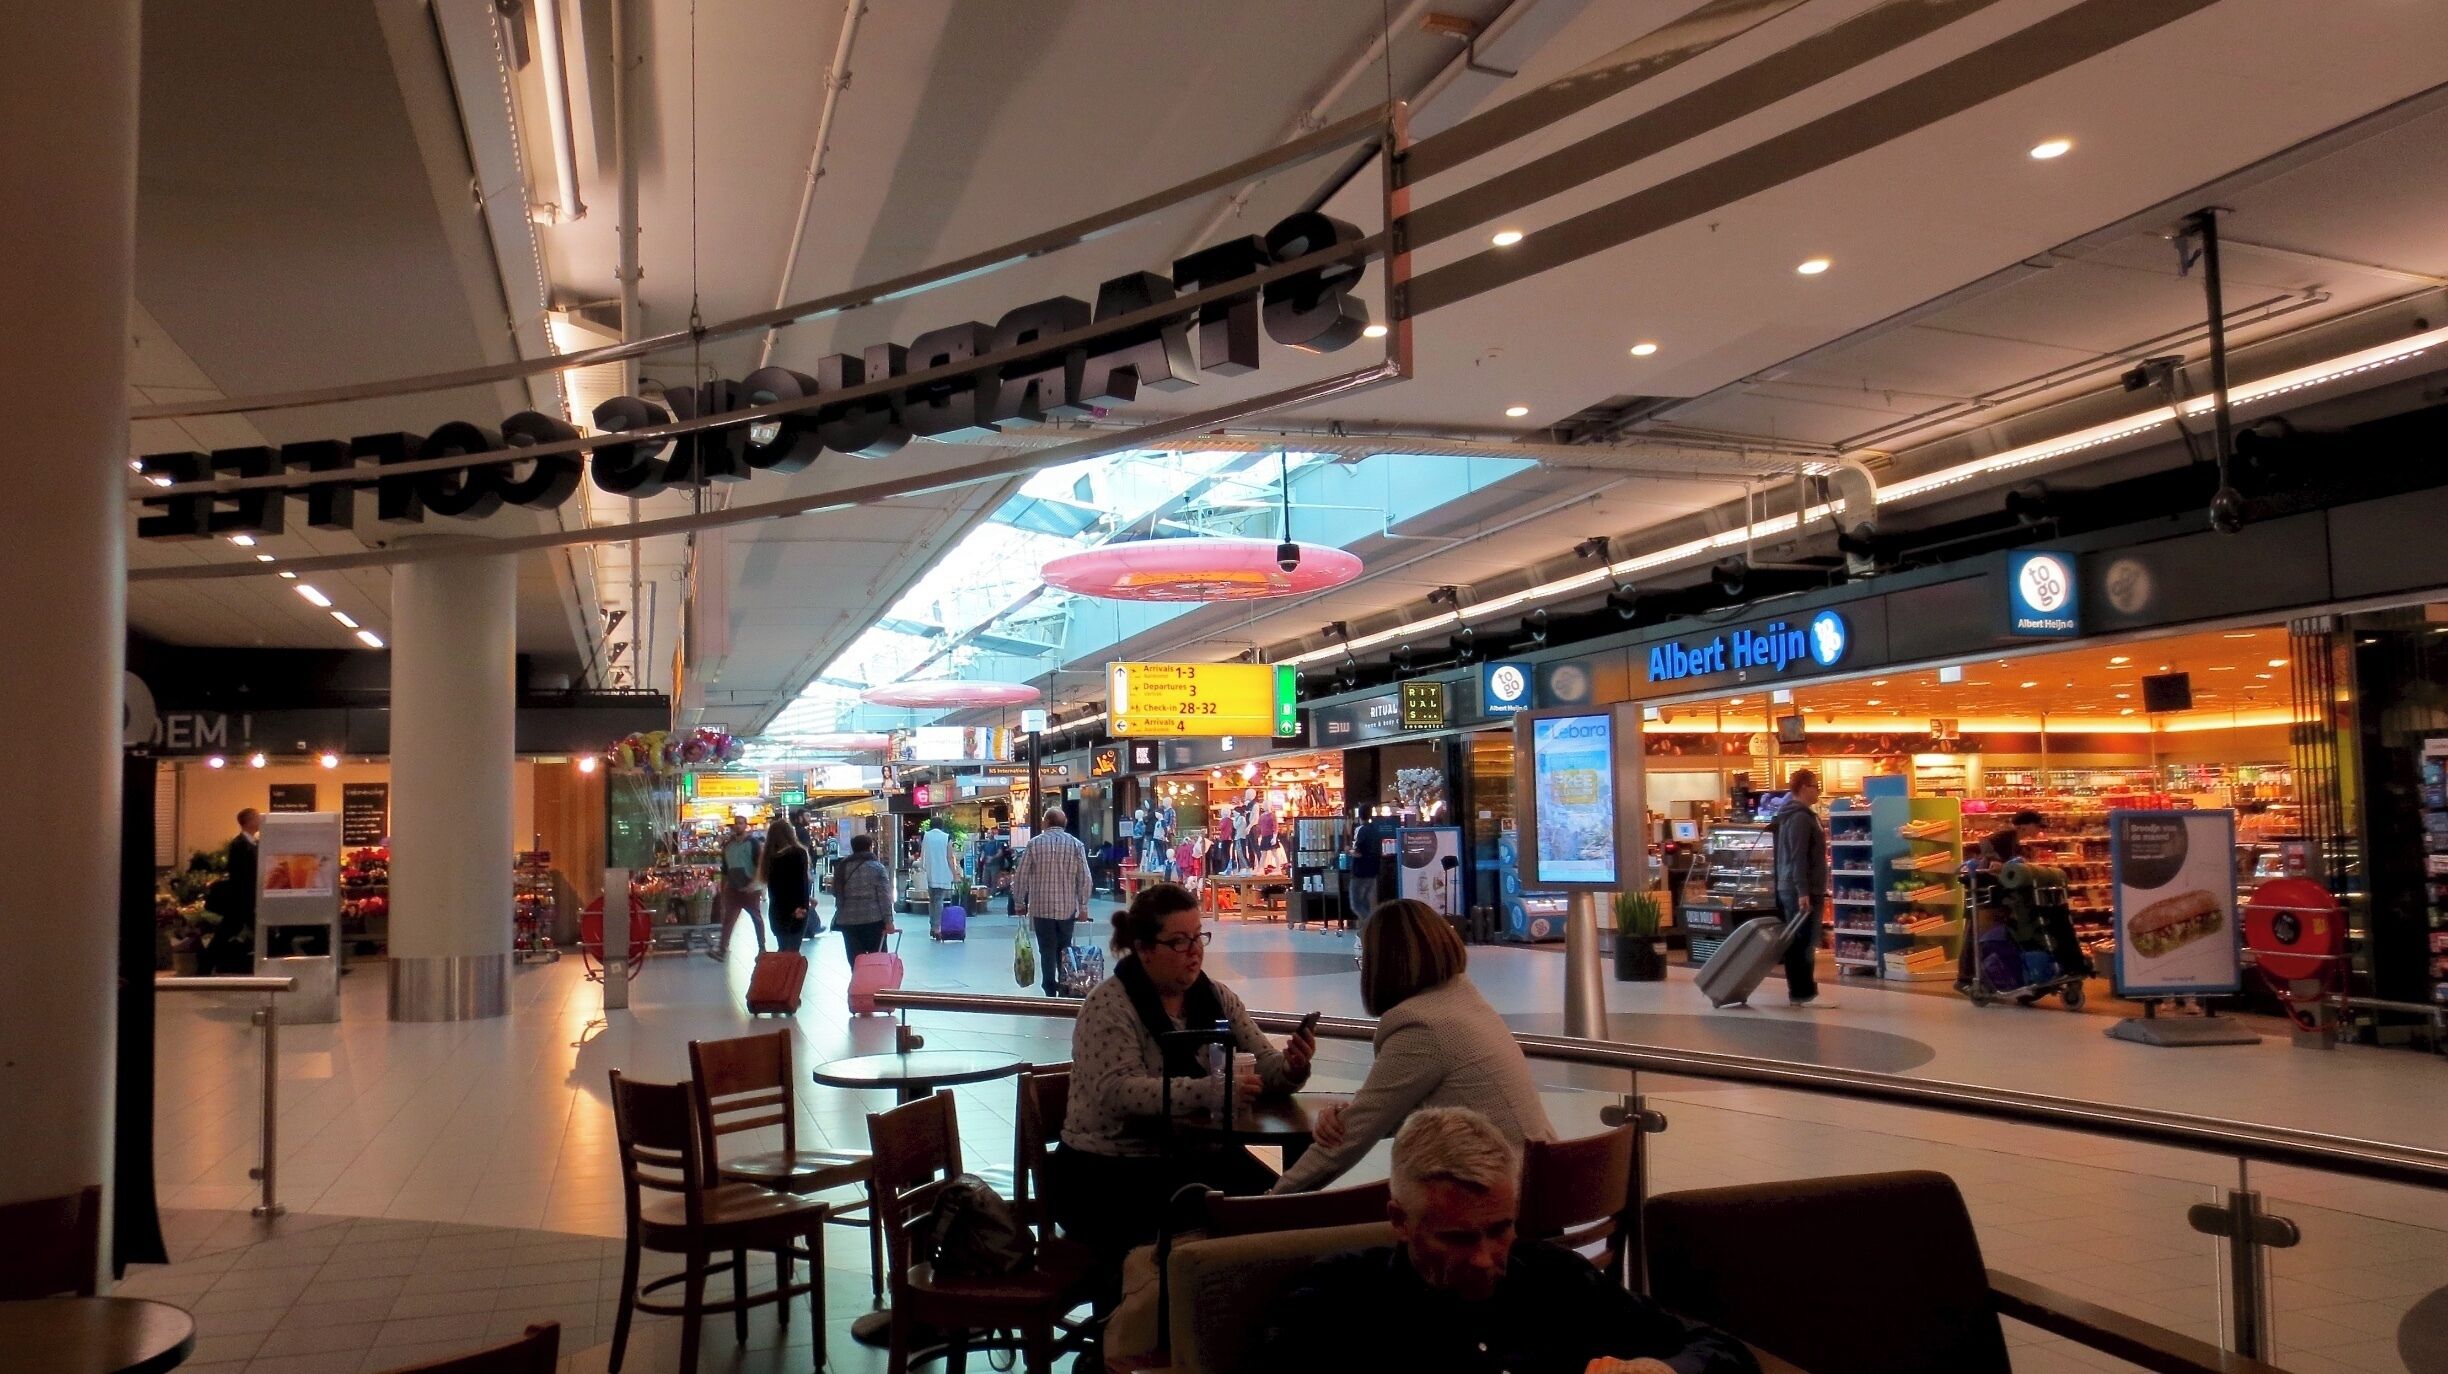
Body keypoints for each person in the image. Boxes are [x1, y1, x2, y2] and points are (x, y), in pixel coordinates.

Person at [1261, 1108, 1758, 1374]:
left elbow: (1722, 1351)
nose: (1483, 1259)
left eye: (1501, 1229)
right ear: (1400, 1220)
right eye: (1456, 1238)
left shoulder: (1555, 1279)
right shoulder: (1334, 1307)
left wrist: (1659, 1372)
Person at [1054, 881, 1316, 1260]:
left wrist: (1291, 1067)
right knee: (1226, 1230)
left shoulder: (1216, 997)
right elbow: (1119, 1090)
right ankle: (1185, 1314)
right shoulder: (1110, 1004)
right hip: (1109, 1171)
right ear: (1144, 949)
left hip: (1190, 1158)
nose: (1194, 952)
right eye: (1178, 942)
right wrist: (1209, 1091)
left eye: (1198, 938)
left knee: (1279, 1212)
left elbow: (1262, 1062)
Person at [1274, 899, 1554, 1193]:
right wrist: (1349, 1115)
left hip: (1500, 1206)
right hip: (1540, 1189)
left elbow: (1351, 1139)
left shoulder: (1420, 1026)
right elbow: (1400, 1104)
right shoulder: (1463, 1000)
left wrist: (1265, 1205)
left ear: (1380, 964)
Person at [1012, 806, 1095, 996]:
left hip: (1041, 908)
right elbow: (1085, 877)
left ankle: (1049, 987)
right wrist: (1083, 906)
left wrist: (1019, 902)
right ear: (1064, 823)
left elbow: (1021, 875)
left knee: (1046, 948)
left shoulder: (1034, 844)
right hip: (1067, 908)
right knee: (1064, 947)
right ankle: (1066, 984)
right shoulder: (1076, 845)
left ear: (1046, 822)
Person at [1769, 769, 1830, 1008]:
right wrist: (1803, 891)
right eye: (1816, 786)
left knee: (1802, 940)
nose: (1818, 790)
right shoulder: (1800, 818)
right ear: (1804, 787)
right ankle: (1802, 992)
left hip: (1799, 887)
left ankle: (1804, 991)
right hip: (1799, 890)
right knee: (1801, 941)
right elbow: (1798, 858)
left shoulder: (1799, 815)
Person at [207, 808, 262, 972]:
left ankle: (208, 964)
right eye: (257, 818)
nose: (260, 821)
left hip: (246, 898)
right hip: (242, 898)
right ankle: (207, 963)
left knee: (229, 930)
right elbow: (239, 873)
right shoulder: (239, 844)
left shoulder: (251, 843)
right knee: (227, 930)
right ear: (250, 821)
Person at [830, 833, 894, 967]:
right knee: (877, 959)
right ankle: (875, 985)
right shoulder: (877, 868)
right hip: (873, 920)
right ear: (870, 847)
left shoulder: (842, 867)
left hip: (848, 921)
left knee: (855, 960)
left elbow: (835, 892)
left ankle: (860, 984)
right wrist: (888, 921)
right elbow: (884, 897)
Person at [715, 816, 767, 957]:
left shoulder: (753, 844)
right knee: (728, 919)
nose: (738, 826)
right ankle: (722, 949)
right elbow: (725, 869)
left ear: (746, 825)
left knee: (756, 918)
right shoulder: (728, 846)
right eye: (736, 824)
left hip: (750, 889)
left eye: (740, 823)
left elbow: (760, 865)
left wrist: (754, 883)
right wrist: (723, 887)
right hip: (733, 887)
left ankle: (762, 947)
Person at [759, 817, 812, 952]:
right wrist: (802, 906)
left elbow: (777, 887)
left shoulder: (769, 858)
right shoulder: (798, 853)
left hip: (777, 911)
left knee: (783, 949)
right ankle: (786, 974)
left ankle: (779, 972)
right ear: (790, 833)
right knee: (792, 952)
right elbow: (800, 884)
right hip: (796, 911)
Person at [919, 820, 955, 933]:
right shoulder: (947, 837)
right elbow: (949, 857)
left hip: (929, 872)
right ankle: (937, 927)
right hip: (942, 872)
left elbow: (923, 852)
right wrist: (954, 873)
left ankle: (932, 925)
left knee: (932, 900)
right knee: (939, 899)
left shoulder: (925, 835)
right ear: (942, 825)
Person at [1979, 809, 2047, 868]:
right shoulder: (2006, 836)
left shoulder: (2014, 838)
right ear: (2024, 826)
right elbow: (1985, 841)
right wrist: (1994, 859)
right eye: (2037, 826)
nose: (2039, 830)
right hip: (1988, 877)